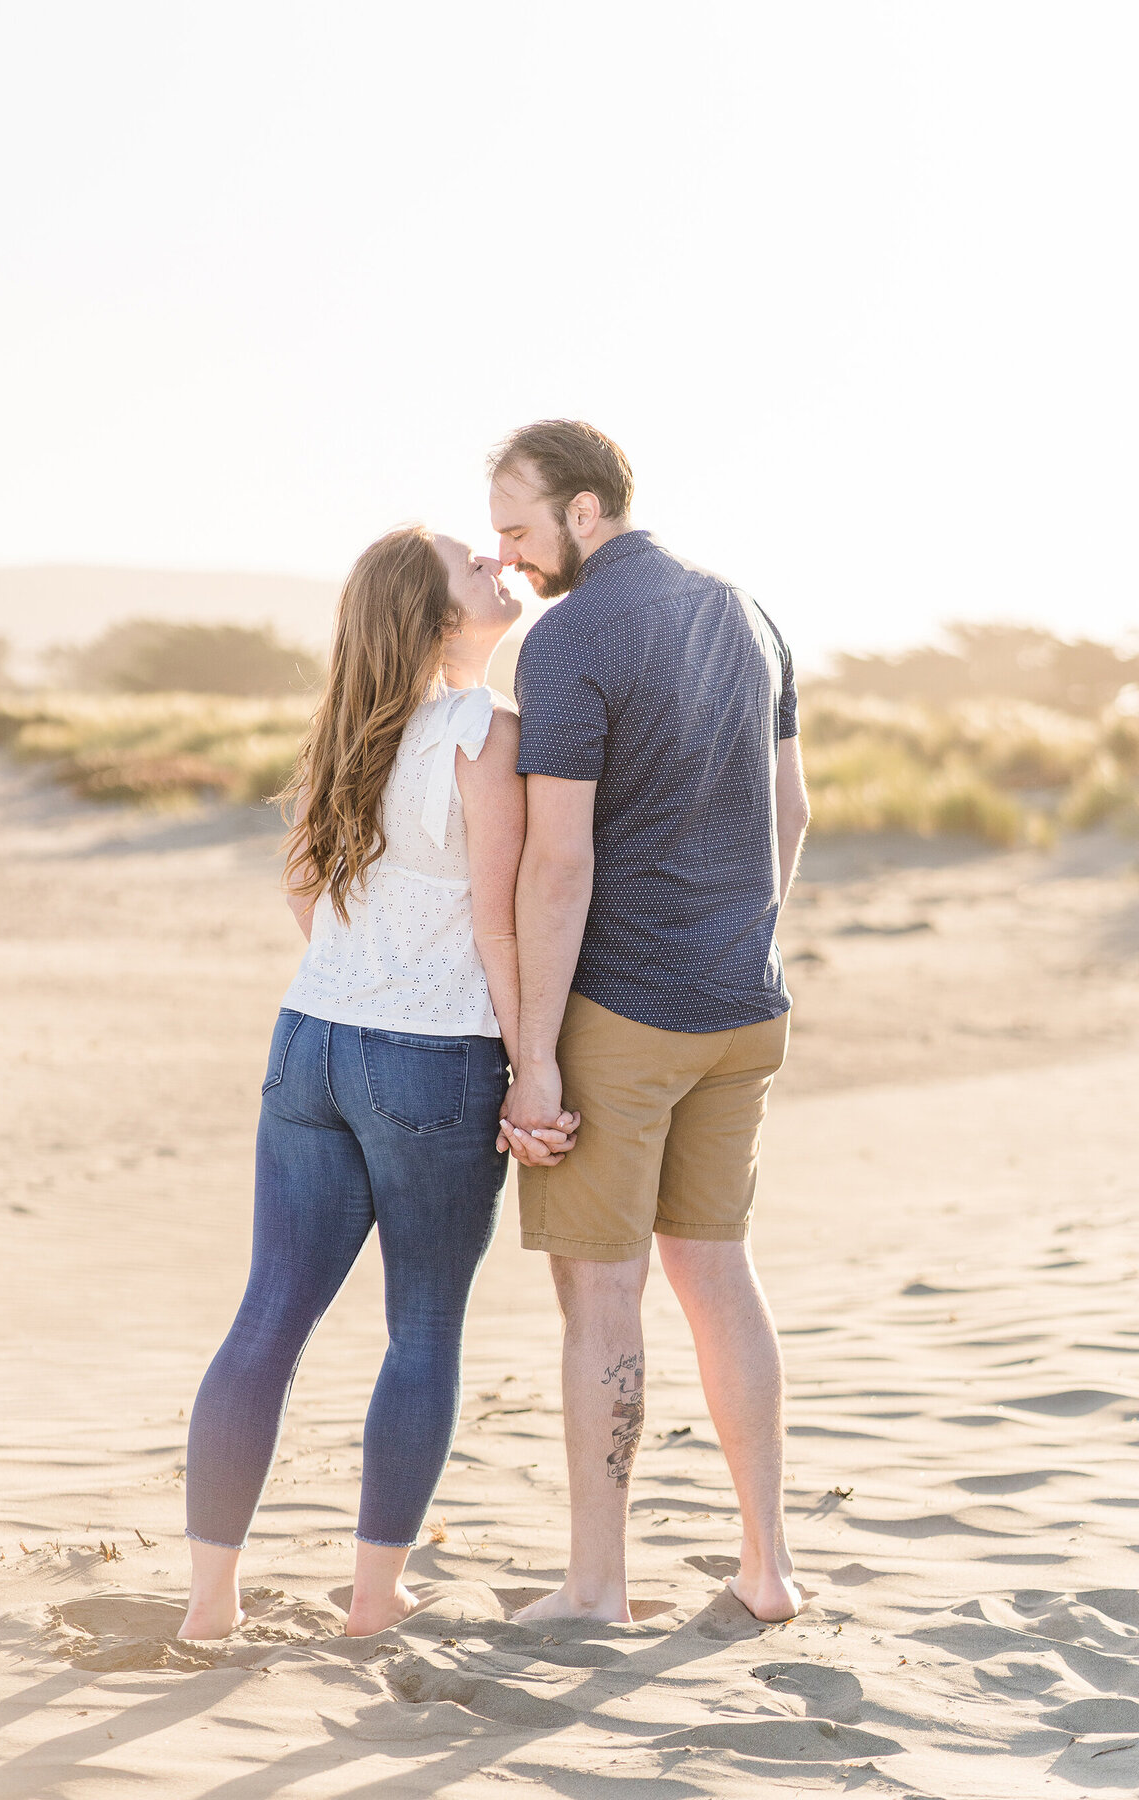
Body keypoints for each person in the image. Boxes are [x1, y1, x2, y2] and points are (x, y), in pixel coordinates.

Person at [177, 525, 577, 1642]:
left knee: (268, 1319)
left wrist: (363, 965)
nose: (495, 565)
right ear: (437, 616)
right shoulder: (488, 732)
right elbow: (499, 925)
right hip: (432, 1057)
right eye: (470, 566)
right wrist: (532, 1069)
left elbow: (302, 886)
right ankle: (373, 1599)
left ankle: (209, 1607)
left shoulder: (351, 727)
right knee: (423, 1329)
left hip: (310, 1038)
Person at [491, 420, 811, 1626]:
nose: (507, 555)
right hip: (744, 1006)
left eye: (519, 528)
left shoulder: (571, 638)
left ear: (584, 511)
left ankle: (596, 1590)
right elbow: (792, 809)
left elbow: (557, 864)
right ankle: (767, 1569)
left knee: (602, 1294)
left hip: (623, 1013)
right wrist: (744, 937)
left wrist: (533, 1059)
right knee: (718, 1270)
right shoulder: (749, 612)